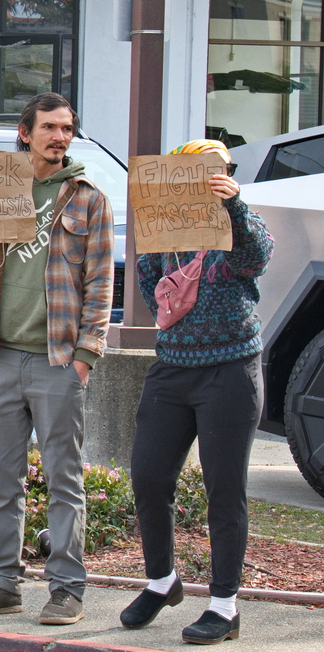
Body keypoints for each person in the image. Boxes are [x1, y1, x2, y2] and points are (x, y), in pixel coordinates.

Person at [0, 92, 113, 626]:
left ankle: (66, 589)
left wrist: (86, 356)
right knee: (1, 481)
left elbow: (101, 283)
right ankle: (2, 584)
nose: (60, 137)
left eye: (67, 128)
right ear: (25, 132)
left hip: (58, 360)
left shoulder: (88, 199)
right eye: (50, 127)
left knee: (64, 480)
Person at [120, 139, 272, 646]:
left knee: (224, 489)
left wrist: (234, 205)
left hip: (230, 370)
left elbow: (257, 256)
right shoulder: (165, 231)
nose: (215, 177)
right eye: (203, 170)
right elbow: (150, 287)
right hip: (173, 367)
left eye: (224, 169)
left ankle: (225, 606)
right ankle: (162, 581)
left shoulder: (237, 223)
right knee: (148, 475)